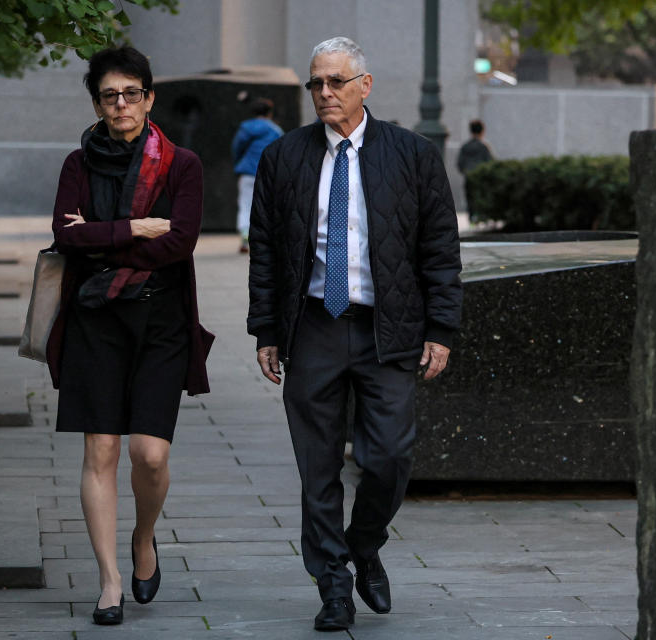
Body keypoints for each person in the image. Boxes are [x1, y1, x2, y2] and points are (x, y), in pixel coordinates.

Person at [247, 37, 462, 631]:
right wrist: (266, 328)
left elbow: (440, 248)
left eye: (336, 82)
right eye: (316, 83)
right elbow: (264, 250)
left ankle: (363, 544)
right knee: (316, 466)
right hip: (313, 323)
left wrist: (440, 329)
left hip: (387, 328)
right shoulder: (284, 157)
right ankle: (333, 585)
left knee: (390, 456)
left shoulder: (412, 154)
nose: (324, 94)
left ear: (365, 85)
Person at [47, 46, 213, 626]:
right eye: (109, 95)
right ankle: (109, 580)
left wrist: (99, 234)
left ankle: (144, 537)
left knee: (149, 452)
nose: (121, 104)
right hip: (95, 317)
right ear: (97, 102)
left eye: (131, 93)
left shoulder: (180, 164)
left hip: (161, 319)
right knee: (101, 449)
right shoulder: (78, 163)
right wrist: (133, 228)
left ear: (149, 97)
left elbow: (180, 243)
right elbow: (64, 238)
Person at [231, 97, 283, 253]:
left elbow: (236, 147)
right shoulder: (275, 130)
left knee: (245, 204)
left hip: (247, 172)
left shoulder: (245, 128)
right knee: (266, 206)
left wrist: (239, 163)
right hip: (268, 173)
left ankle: (245, 235)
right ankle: (264, 239)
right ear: (270, 113)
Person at [456, 119, 494, 219]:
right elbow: (491, 162)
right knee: (481, 198)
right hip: (481, 177)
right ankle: (482, 218)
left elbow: (460, 163)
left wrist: (465, 171)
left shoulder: (465, 147)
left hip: (468, 177)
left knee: (470, 199)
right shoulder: (484, 147)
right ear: (482, 131)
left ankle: (472, 219)